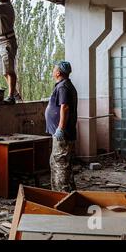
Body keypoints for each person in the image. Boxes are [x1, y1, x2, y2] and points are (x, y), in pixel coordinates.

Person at [45, 61, 78, 192]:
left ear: (58, 72)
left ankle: (62, 195)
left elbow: (65, 107)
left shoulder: (63, 87)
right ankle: (69, 193)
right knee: (62, 163)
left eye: (54, 69)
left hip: (62, 135)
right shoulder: (66, 85)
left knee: (60, 164)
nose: (53, 71)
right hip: (64, 133)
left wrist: (60, 129)